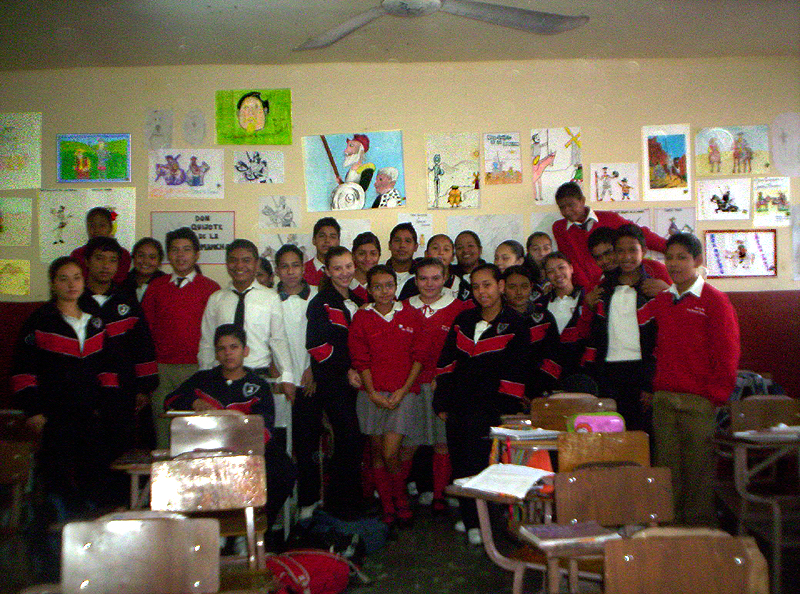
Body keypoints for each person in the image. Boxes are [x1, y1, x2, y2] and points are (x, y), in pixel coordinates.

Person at [12, 257, 122, 579]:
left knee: (96, 483)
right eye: (63, 279)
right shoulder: (39, 321)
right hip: (55, 419)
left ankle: (95, 559)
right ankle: (54, 561)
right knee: (57, 485)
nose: (71, 284)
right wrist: (34, 412)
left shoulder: (96, 321)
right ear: (53, 283)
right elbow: (22, 372)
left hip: (92, 417)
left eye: (76, 278)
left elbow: (108, 369)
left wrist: (108, 407)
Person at [637, 233, 740, 526]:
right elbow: (635, 327)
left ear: (697, 261)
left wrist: (715, 396)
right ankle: (669, 533)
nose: (674, 264)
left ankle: (698, 536)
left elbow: (728, 352)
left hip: (700, 401)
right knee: (666, 471)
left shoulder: (714, 300)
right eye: (669, 257)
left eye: (682, 257)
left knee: (698, 472)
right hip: (665, 399)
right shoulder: (664, 300)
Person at [164, 324, 296, 531]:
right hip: (205, 450)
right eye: (222, 348)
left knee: (283, 469)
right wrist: (193, 403)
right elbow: (169, 401)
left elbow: (265, 428)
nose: (228, 353)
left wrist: (239, 438)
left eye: (233, 347)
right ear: (216, 353)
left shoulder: (258, 385)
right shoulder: (203, 380)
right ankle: (205, 533)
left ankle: (256, 530)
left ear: (245, 351)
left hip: (247, 449)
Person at [434, 264, 530, 546]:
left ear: (500, 286)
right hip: (457, 405)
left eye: (487, 285)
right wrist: (441, 402)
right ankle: (468, 516)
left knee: (484, 464)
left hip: (490, 409)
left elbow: (516, 373)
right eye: (476, 287)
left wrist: (499, 411)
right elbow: (446, 362)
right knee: (460, 462)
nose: (481, 291)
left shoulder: (516, 324)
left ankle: (485, 521)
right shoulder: (463, 319)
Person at [349, 265, 425, 528]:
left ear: (396, 287)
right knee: (377, 452)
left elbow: (419, 357)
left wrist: (403, 391)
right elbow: (361, 358)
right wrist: (371, 392)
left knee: (392, 451)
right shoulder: (362, 317)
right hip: (372, 394)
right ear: (369, 290)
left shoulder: (411, 314)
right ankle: (388, 505)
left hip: (403, 394)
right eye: (377, 286)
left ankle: (399, 498)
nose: (384, 291)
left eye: (389, 285)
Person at [582, 225, 668, 434]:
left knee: (642, 437)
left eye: (633, 250)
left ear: (644, 252)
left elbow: (661, 339)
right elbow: (596, 336)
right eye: (620, 251)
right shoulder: (603, 290)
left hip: (641, 373)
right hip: (608, 374)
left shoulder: (653, 289)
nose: (626, 256)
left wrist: (650, 383)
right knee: (610, 437)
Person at [78, 237, 159, 454]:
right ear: (87, 261)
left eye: (112, 261)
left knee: (121, 451)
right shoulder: (74, 301)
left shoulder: (127, 301)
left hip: (122, 391)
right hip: (82, 392)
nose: (105, 266)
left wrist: (144, 388)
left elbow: (143, 344)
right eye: (99, 259)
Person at [141, 227, 220, 448]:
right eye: (174, 250)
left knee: (198, 434)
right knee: (163, 433)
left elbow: (217, 333)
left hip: (198, 369)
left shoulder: (211, 288)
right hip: (162, 371)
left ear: (196, 254)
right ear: (168, 255)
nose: (180, 255)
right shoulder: (156, 287)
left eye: (186, 250)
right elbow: (146, 330)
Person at [404, 257, 469, 514]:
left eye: (435, 278)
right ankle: (397, 496)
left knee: (442, 443)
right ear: (415, 280)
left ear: (445, 279)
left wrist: (444, 381)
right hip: (408, 386)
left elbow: (461, 352)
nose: (429, 284)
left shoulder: (460, 309)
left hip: (442, 387)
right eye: (423, 278)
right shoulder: (403, 307)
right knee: (408, 444)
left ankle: (440, 495)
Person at [306, 246, 366, 519]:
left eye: (348, 266)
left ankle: (351, 500)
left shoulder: (359, 298)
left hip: (357, 382)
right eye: (338, 268)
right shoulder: (321, 302)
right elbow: (317, 346)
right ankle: (339, 505)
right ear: (327, 272)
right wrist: (346, 372)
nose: (344, 272)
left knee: (355, 442)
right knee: (348, 440)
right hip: (333, 383)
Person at [197, 239, 295, 400]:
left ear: (256, 264)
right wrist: (205, 375)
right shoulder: (216, 299)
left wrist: (287, 376)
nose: (239, 266)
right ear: (227, 264)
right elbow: (207, 342)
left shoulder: (270, 298)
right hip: (221, 377)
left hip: (257, 375)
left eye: (246, 260)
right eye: (233, 260)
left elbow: (278, 340)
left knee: (256, 424)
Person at [273, 244, 320, 518]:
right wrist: (275, 371)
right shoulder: (268, 298)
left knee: (306, 446)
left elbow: (323, 339)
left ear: (303, 268)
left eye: (295, 265)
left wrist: (313, 369)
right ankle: (279, 505)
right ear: (277, 269)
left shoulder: (316, 296)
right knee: (279, 446)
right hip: (280, 383)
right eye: (284, 266)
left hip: (308, 381)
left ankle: (308, 502)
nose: (290, 272)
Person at [551, 182, 666, 290]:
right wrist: (587, 292)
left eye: (571, 205)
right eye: (562, 207)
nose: (567, 211)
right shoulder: (560, 229)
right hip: (589, 290)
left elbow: (641, 234)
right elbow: (571, 263)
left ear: (582, 201)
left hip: (619, 282)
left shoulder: (609, 218)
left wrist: (671, 248)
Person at [502, 265, 561, 395]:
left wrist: (537, 390)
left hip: (541, 391)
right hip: (505, 392)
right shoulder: (497, 320)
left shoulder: (544, 317)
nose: (519, 292)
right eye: (512, 287)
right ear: (503, 288)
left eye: (524, 286)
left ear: (531, 287)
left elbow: (554, 356)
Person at [538, 252, 589, 385]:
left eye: (561, 267)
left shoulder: (587, 299)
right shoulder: (540, 305)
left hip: (583, 372)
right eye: (551, 271)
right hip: (549, 375)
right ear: (546, 276)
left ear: (571, 268)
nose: (557, 274)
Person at [398, 234, 471, 302]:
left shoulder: (460, 283)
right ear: (426, 254)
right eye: (435, 248)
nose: (441, 252)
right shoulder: (413, 282)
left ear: (452, 256)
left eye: (446, 249)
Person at [71, 207, 131, 285]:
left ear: (110, 228)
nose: (96, 230)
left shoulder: (123, 255)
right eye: (92, 226)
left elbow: (120, 282)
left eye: (102, 225)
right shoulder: (77, 254)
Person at [120, 237, 166, 302]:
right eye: (141, 256)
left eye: (152, 257)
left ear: (159, 261)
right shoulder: (122, 282)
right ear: (133, 257)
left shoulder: (166, 284)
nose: (146, 261)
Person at [304, 217, 340, 286]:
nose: (327, 240)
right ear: (314, 240)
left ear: (338, 242)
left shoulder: (346, 271)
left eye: (332, 237)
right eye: (322, 236)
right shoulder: (303, 271)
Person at [386, 222, 419, 296]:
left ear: (415, 247)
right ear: (389, 245)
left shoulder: (422, 275)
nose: (402, 245)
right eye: (397, 240)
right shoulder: (379, 272)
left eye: (408, 241)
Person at [351, 231, 381, 303]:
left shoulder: (384, 282)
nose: (367, 258)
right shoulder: (345, 281)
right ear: (353, 256)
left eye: (373, 254)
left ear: (379, 256)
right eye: (362, 254)